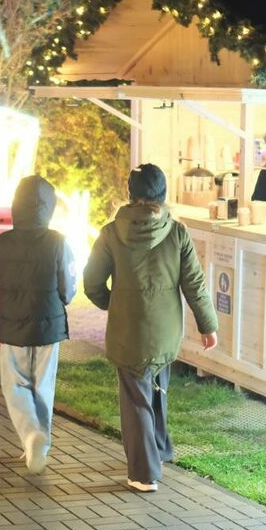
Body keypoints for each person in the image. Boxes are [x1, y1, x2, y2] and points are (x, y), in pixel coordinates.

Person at [83, 164, 218, 493]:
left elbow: (92, 283)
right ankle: (159, 449)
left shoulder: (111, 233)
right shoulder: (177, 233)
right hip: (166, 330)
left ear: (131, 194)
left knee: (136, 401)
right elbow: (195, 284)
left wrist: (111, 304)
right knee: (157, 387)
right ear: (162, 194)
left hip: (128, 331)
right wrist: (207, 325)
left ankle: (143, 474)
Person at [0, 175, 74, 475]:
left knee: (15, 384)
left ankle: (30, 436)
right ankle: (40, 443)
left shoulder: (3, 241)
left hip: (12, 323)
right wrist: (60, 300)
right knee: (44, 386)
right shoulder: (58, 241)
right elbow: (69, 285)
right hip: (48, 324)